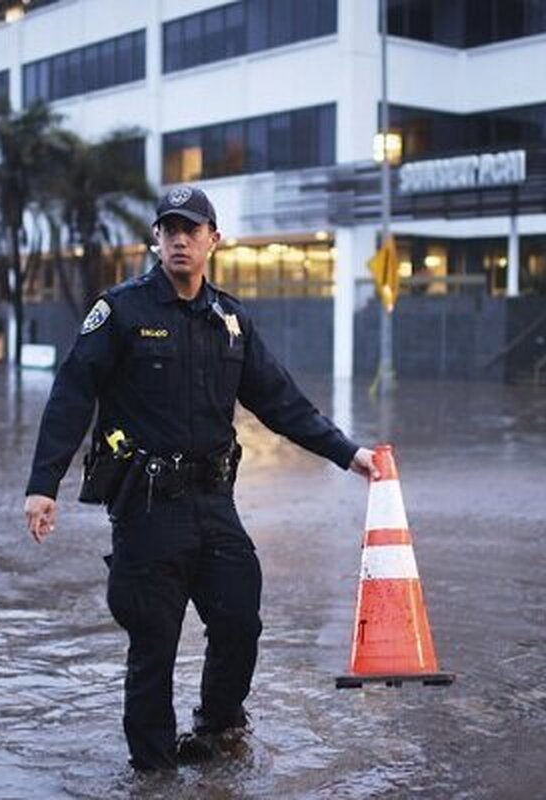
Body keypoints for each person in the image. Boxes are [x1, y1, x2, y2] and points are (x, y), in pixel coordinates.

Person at [24, 185, 376, 771]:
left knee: (240, 619)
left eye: (192, 229)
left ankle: (216, 735)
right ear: (156, 240)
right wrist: (43, 484)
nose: (180, 239)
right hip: (147, 509)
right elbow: (72, 394)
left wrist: (348, 453)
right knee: (154, 646)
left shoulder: (230, 320)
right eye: (170, 229)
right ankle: (154, 772)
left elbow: (281, 402)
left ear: (214, 239)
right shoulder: (121, 312)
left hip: (215, 506)